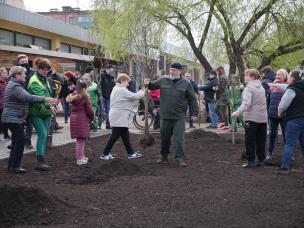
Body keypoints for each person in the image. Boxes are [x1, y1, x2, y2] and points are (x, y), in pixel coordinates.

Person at [1, 66, 56, 174]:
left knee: (17, 141)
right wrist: (45, 99)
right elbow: (27, 97)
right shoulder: (15, 86)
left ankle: (12, 166)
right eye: (23, 74)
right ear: (17, 75)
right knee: (20, 141)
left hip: (14, 118)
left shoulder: (15, 84)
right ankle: (15, 166)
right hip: (13, 118)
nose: (25, 76)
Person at [145, 62, 199, 167]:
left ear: (180, 71)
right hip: (165, 116)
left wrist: (194, 113)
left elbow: (193, 100)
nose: (172, 71)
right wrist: (147, 82)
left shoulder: (186, 83)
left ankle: (179, 159)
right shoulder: (163, 79)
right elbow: (152, 86)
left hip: (179, 116)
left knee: (179, 139)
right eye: (171, 69)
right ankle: (163, 156)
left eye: (174, 70)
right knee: (164, 138)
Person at [100, 73, 145, 160]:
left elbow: (124, 100)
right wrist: (144, 91)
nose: (128, 84)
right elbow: (135, 96)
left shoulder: (117, 88)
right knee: (115, 135)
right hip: (119, 116)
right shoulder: (121, 90)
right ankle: (104, 154)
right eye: (127, 82)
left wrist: (133, 102)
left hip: (118, 116)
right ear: (122, 81)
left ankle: (131, 153)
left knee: (125, 133)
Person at [232, 69, 267, 168]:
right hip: (263, 118)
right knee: (261, 139)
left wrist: (236, 112)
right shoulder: (261, 87)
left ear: (251, 77)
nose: (244, 77)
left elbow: (246, 104)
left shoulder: (249, 88)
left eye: (245, 75)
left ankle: (250, 161)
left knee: (250, 140)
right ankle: (261, 160)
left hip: (252, 118)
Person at [27, 58, 57, 171]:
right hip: (36, 112)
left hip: (46, 112)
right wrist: (51, 105)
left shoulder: (46, 79)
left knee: (43, 137)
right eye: (43, 69)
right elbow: (41, 97)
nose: (45, 71)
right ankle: (39, 162)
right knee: (43, 135)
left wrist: (51, 105)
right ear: (37, 68)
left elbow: (49, 94)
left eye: (47, 69)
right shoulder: (34, 80)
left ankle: (41, 159)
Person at [276, 70, 304, 173]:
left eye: (289, 76)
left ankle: (284, 167)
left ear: (292, 77)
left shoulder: (292, 90)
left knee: (289, 144)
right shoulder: (299, 88)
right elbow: (285, 87)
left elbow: (283, 105)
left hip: (294, 120)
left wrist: (280, 112)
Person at [67, 81, 94, 165]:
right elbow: (90, 111)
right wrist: (92, 118)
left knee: (80, 140)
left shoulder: (73, 97)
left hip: (75, 119)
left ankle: (81, 156)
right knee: (81, 140)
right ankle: (79, 159)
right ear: (84, 89)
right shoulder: (85, 97)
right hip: (82, 120)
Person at [266, 69, 288, 161]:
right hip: (272, 114)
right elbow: (268, 101)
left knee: (286, 135)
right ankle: (270, 153)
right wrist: (267, 113)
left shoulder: (287, 87)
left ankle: (288, 154)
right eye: (277, 75)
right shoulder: (272, 87)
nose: (277, 76)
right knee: (272, 134)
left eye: (280, 75)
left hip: (284, 115)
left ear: (285, 76)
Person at [18, 54, 36, 149]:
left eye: (26, 62)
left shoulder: (33, 72)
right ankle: (16, 141)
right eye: (22, 62)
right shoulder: (16, 72)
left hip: (30, 100)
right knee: (19, 123)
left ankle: (28, 141)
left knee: (29, 123)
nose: (25, 64)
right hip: (19, 100)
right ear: (19, 63)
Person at [99, 64, 115, 129]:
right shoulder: (102, 75)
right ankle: (99, 125)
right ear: (108, 69)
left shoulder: (112, 77)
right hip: (102, 96)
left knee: (108, 111)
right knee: (101, 110)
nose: (113, 70)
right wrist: (100, 95)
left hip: (109, 97)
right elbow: (99, 85)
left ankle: (108, 125)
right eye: (112, 69)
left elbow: (113, 86)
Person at [0, 67, 10, 140]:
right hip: (1, 105)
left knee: (6, 120)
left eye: (6, 72)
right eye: (4, 73)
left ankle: (6, 135)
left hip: (7, 104)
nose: (6, 74)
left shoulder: (7, 81)